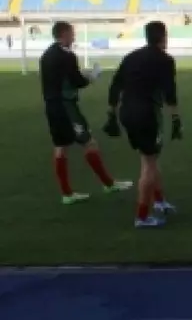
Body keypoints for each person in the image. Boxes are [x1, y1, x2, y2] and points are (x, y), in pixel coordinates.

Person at [39, 21, 132, 205]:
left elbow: (61, 78)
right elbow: (77, 81)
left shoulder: (46, 55)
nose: (74, 37)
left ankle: (67, 193)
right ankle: (108, 184)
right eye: (72, 33)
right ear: (64, 34)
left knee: (61, 147)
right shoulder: (67, 56)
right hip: (66, 107)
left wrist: (80, 75)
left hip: (51, 107)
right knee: (89, 142)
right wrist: (91, 76)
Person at [103, 21, 181, 228]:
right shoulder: (165, 60)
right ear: (163, 36)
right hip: (147, 114)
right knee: (148, 164)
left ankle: (159, 201)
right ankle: (142, 216)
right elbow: (170, 93)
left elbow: (115, 85)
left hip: (127, 112)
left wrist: (111, 114)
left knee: (149, 158)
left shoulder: (131, 57)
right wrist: (176, 119)